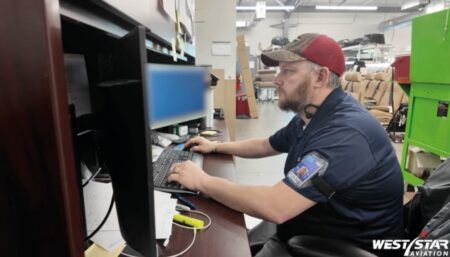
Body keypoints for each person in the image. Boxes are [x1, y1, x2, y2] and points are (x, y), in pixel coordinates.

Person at [168, 33, 404, 256]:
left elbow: (276, 206)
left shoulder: (345, 135)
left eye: (288, 71)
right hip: (311, 223)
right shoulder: (312, 114)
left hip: (337, 245)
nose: (277, 80)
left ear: (320, 77)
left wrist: (202, 181)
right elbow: (265, 145)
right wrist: (216, 147)